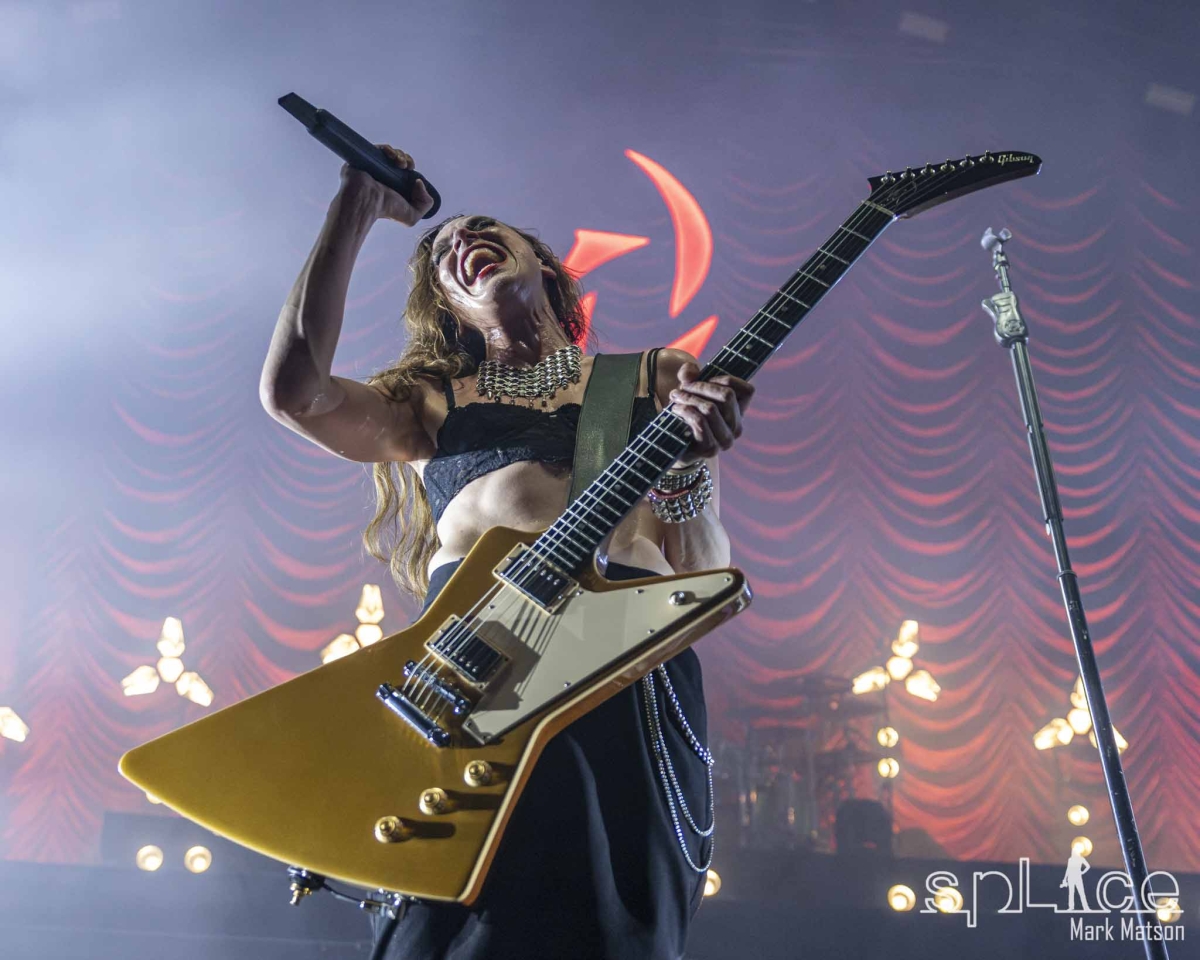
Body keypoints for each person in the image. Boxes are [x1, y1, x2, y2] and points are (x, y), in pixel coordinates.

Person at [259, 145, 754, 960]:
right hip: (480, 681)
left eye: (484, 229)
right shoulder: (429, 401)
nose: (461, 239)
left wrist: (690, 468)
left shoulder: (655, 375)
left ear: (546, 268)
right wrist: (356, 207)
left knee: (609, 929)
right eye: (443, 252)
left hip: (621, 676)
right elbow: (295, 394)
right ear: (450, 306)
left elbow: (700, 580)